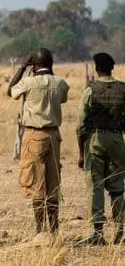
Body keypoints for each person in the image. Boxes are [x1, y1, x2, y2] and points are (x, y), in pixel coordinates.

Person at [7, 48, 69, 239]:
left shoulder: (28, 82)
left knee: (35, 182)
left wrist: (23, 66)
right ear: (51, 64)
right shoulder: (60, 84)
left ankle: (40, 230)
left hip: (34, 135)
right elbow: (63, 97)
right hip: (54, 137)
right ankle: (55, 228)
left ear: (34, 64)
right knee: (53, 184)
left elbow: (10, 91)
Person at [76, 52, 125, 245]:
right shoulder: (123, 89)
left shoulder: (90, 90)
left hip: (95, 140)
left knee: (95, 187)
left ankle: (97, 233)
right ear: (112, 68)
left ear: (96, 70)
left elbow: (80, 125)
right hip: (117, 140)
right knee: (118, 188)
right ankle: (120, 230)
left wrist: (81, 153)